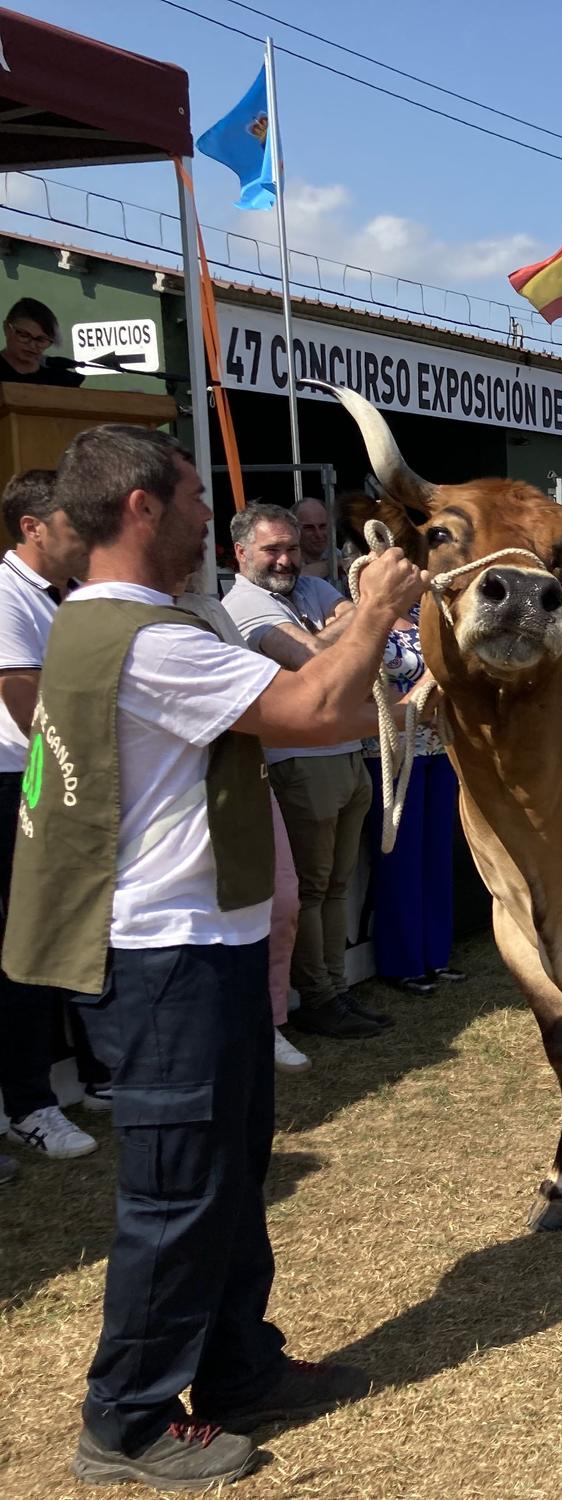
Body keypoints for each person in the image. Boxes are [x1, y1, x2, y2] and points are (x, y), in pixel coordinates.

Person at [7, 423, 424, 1489]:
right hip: (168, 959)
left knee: (228, 1176)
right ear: (142, 508)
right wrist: (375, 607)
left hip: (201, 943)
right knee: (176, 1194)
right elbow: (317, 710)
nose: (209, 514)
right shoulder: (149, 641)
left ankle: (239, 1367)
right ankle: (127, 1423)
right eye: (195, 495)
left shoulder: (125, 626)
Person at [223, 504, 387, 1041]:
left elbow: (351, 624)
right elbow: (313, 663)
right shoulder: (243, 605)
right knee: (313, 890)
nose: (286, 559)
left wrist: (348, 624)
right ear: (240, 553)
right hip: (299, 762)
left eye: (291, 547)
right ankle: (318, 998)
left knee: (337, 885)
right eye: (272, 549)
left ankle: (337, 989)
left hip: (345, 752)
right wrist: (353, 624)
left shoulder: (309, 588)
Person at [0, 470, 100, 1163]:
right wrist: (85, 776)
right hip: (19, 785)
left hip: (55, 782)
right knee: (27, 949)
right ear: (33, 528)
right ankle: (30, 1104)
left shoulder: (68, 594)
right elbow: (24, 700)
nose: (85, 535)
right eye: (71, 522)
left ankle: (96, 1076)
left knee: (73, 934)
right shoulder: (7, 594)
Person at [173, 578, 312, 1074]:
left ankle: (267, 1024)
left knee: (283, 901)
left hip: (244, 775)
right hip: (178, 794)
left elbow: (259, 691)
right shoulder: (125, 616)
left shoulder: (209, 607)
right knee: (200, 920)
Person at [364, 605, 465, 999]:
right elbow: (383, 692)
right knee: (401, 860)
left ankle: (436, 954)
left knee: (437, 855)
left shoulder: (426, 616)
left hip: (438, 750)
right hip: (391, 753)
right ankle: (402, 962)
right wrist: (432, 681)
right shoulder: (365, 622)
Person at [0, 297, 84, 387]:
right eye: (24, 335)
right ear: (7, 328)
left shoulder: (61, 380)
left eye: (41, 340)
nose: (32, 345)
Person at [294, 497, 340, 587]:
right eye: (309, 528)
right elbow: (297, 580)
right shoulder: (289, 557)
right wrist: (334, 564)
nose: (318, 534)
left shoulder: (336, 553)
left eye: (323, 526)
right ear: (295, 529)